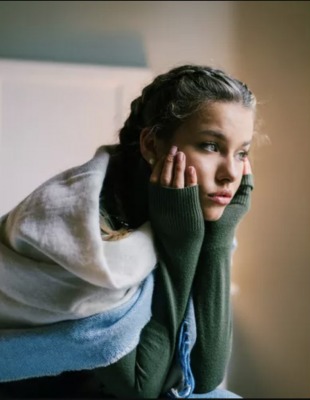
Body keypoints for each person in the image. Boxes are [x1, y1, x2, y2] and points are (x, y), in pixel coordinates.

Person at [0, 64, 258, 398]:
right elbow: (140, 389)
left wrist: (219, 237)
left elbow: (205, 375)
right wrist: (181, 247)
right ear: (151, 145)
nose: (230, 174)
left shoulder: (188, 215)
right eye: (210, 145)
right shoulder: (80, 228)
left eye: (242, 153)